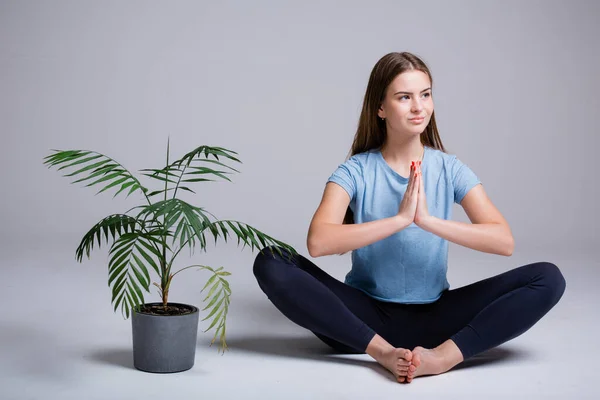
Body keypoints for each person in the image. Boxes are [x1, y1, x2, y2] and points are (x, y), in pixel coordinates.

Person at [252, 51, 566, 384]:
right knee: (271, 261)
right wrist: (399, 220)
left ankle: (444, 356)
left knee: (548, 278)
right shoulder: (355, 170)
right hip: (361, 320)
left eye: (425, 95)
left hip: (438, 317)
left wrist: (427, 221)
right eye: (405, 97)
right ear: (381, 108)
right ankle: (382, 353)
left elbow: (504, 241)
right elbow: (318, 242)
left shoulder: (449, 168)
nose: (419, 107)